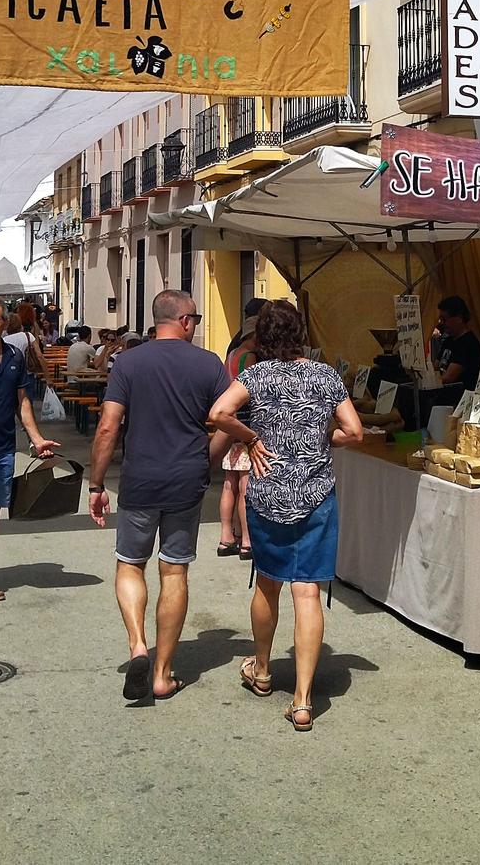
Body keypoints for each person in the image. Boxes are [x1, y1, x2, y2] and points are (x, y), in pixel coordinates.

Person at [209, 299, 363, 733]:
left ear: (263, 338)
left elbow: (218, 414)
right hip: (316, 494)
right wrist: (319, 440)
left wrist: (251, 435)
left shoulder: (255, 375)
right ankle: (302, 701)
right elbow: (355, 431)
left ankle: (261, 670)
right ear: (300, 334)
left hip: (268, 493)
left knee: (269, 583)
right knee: (308, 592)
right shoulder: (325, 375)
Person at [88, 289, 230, 703]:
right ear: (185, 320)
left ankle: (137, 645)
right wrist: (208, 459)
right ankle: (163, 674)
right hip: (186, 479)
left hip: (140, 479)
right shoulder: (208, 364)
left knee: (131, 564)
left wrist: (97, 485)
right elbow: (227, 417)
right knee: (174, 571)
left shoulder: (128, 362)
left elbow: (108, 428)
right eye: (196, 320)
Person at [0, 301, 61, 600]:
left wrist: (36, 438)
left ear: (6, 323)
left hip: (2, 447)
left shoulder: (15, 356)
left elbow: (22, 402)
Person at [215, 299, 267, 558]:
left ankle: (226, 537)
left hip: (230, 425)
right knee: (246, 486)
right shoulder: (251, 358)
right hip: (246, 425)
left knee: (229, 484)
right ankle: (247, 540)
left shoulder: (232, 353)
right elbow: (254, 393)